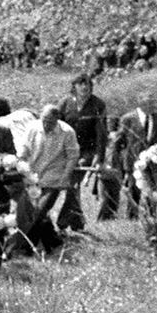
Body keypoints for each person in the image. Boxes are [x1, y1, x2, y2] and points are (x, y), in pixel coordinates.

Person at [22, 102, 81, 228]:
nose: (46, 125)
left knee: (40, 210)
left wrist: (65, 177)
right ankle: (51, 241)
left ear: (57, 120)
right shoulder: (32, 128)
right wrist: (20, 162)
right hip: (33, 177)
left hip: (53, 179)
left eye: (50, 122)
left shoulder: (67, 132)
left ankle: (27, 244)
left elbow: (73, 156)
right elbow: (24, 148)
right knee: (34, 213)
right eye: (44, 120)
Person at [61, 74, 109, 226]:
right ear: (74, 86)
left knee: (73, 183)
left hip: (87, 150)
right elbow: (58, 129)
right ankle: (76, 220)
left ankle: (64, 220)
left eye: (87, 84)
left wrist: (99, 158)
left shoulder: (98, 105)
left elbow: (101, 134)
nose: (84, 87)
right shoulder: (65, 103)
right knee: (71, 185)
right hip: (67, 150)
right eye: (81, 84)